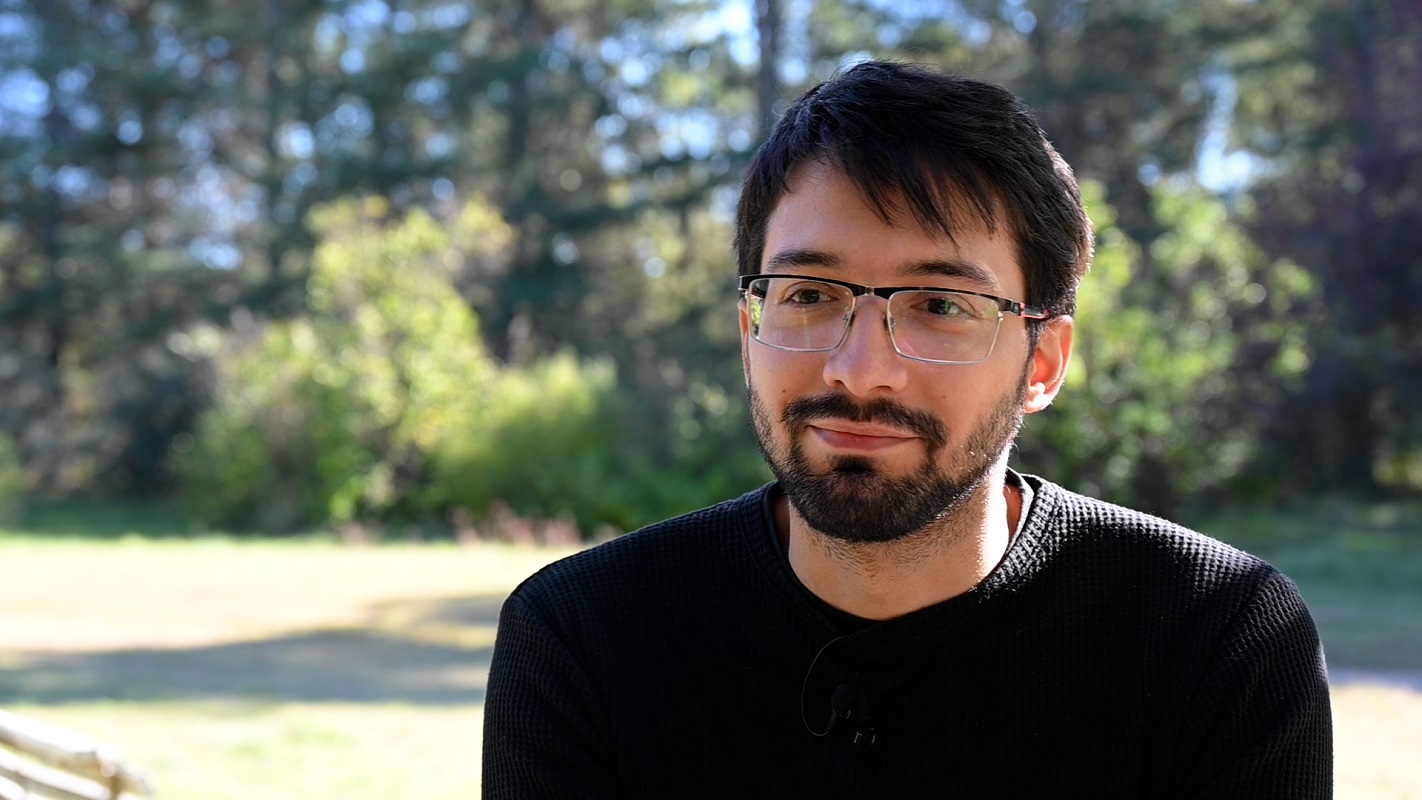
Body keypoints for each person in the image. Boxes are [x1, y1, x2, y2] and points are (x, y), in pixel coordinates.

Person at [482, 60, 1332, 798]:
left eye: (939, 305)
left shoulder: (1218, 644)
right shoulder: (585, 640)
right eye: (809, 295)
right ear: (750, 331)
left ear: (1043, 361)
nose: (859, 369)